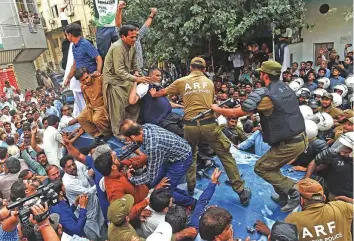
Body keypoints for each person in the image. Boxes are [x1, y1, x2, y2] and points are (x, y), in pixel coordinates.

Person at [150, 57, 250, 206]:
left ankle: (191, 187)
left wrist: (153, 93)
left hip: (190, 126)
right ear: (204, 69)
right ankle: (241, 191)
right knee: (225, 155)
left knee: (191, 155)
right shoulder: (209, 83)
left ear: (190, 68)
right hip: (209, 124)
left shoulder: (181, 81)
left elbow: (162, 92)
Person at [211, 60, 307, 212]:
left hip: (289, 143)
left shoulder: (265, 96)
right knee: (272, 167)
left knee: (261, 168)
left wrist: (216, 108)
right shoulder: (285, 87)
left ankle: (294, 192)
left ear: (264, 75)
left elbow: (237, 112)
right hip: (299, 137)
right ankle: (282, 196)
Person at [119, 120, 196, 207]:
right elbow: (134, 144)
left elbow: (150, 176)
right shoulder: (144, 127)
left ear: (132, 136)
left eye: (127, 139)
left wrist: (132, 179)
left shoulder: (153, 147)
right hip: (169, 155)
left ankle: (192, 203)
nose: (127, 141)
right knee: (156, 183)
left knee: (164, 193)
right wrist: (118, 158)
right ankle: (182, 193)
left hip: (181, 159)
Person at [103, 25, 149, 136]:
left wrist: (145, 79)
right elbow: (119, 71)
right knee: (118, 111)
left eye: (136, 37)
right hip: (114, 82)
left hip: (127, 80)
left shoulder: (132, 46)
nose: (134, 39)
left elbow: (135, 65)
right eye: (132, 37)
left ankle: (131, 129)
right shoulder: (117, 47)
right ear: (123, 37)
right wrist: (137, 79)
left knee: (134, 105)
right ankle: (118, 134)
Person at [285, 178, 353, 241]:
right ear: (324, 198)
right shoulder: (342, 207)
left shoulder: (292, 220)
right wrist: (349, 199)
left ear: (302, 200)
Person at [60, 155, 106, 241]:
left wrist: (94, 169)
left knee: (104, 232)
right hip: (86, 215)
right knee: (94, 238)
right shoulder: (68, 183)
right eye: (69, 167)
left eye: (73, 164)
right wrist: (103, 180)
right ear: (64, 169)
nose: (73, 167)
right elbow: (88, 192)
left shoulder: (78, 165)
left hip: (95, 205)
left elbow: (86, 175)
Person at [304, 132, 353, 201]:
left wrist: (349, 200)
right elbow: (315, 161)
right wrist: (306, 179)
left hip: (349, 198)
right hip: (329, 191)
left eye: (346, 152)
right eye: (342, 148)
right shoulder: (334, 152)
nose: (341, 153)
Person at [74, 67, 112, 143]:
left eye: (87, 77)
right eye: (83, 80)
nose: (86, 81)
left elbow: (110, 78)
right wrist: (89, 108)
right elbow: (86, 99)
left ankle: (107, 133)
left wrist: (98, 73)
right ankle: (97, 134)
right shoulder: (83, 87)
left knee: (96, 119)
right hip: (91, 107)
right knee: (80, 118)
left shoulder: (99, 79)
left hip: (103, 106)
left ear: (89, 74)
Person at [115, 1, 157, 68]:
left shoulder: (137, 37)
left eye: (138, 31)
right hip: (126, 71)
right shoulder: (123, 38)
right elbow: (118, 25)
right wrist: (119, 10)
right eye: (135, 31)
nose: (137, 33)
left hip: (139, 70)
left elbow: (145, 27)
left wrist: (152, 15)